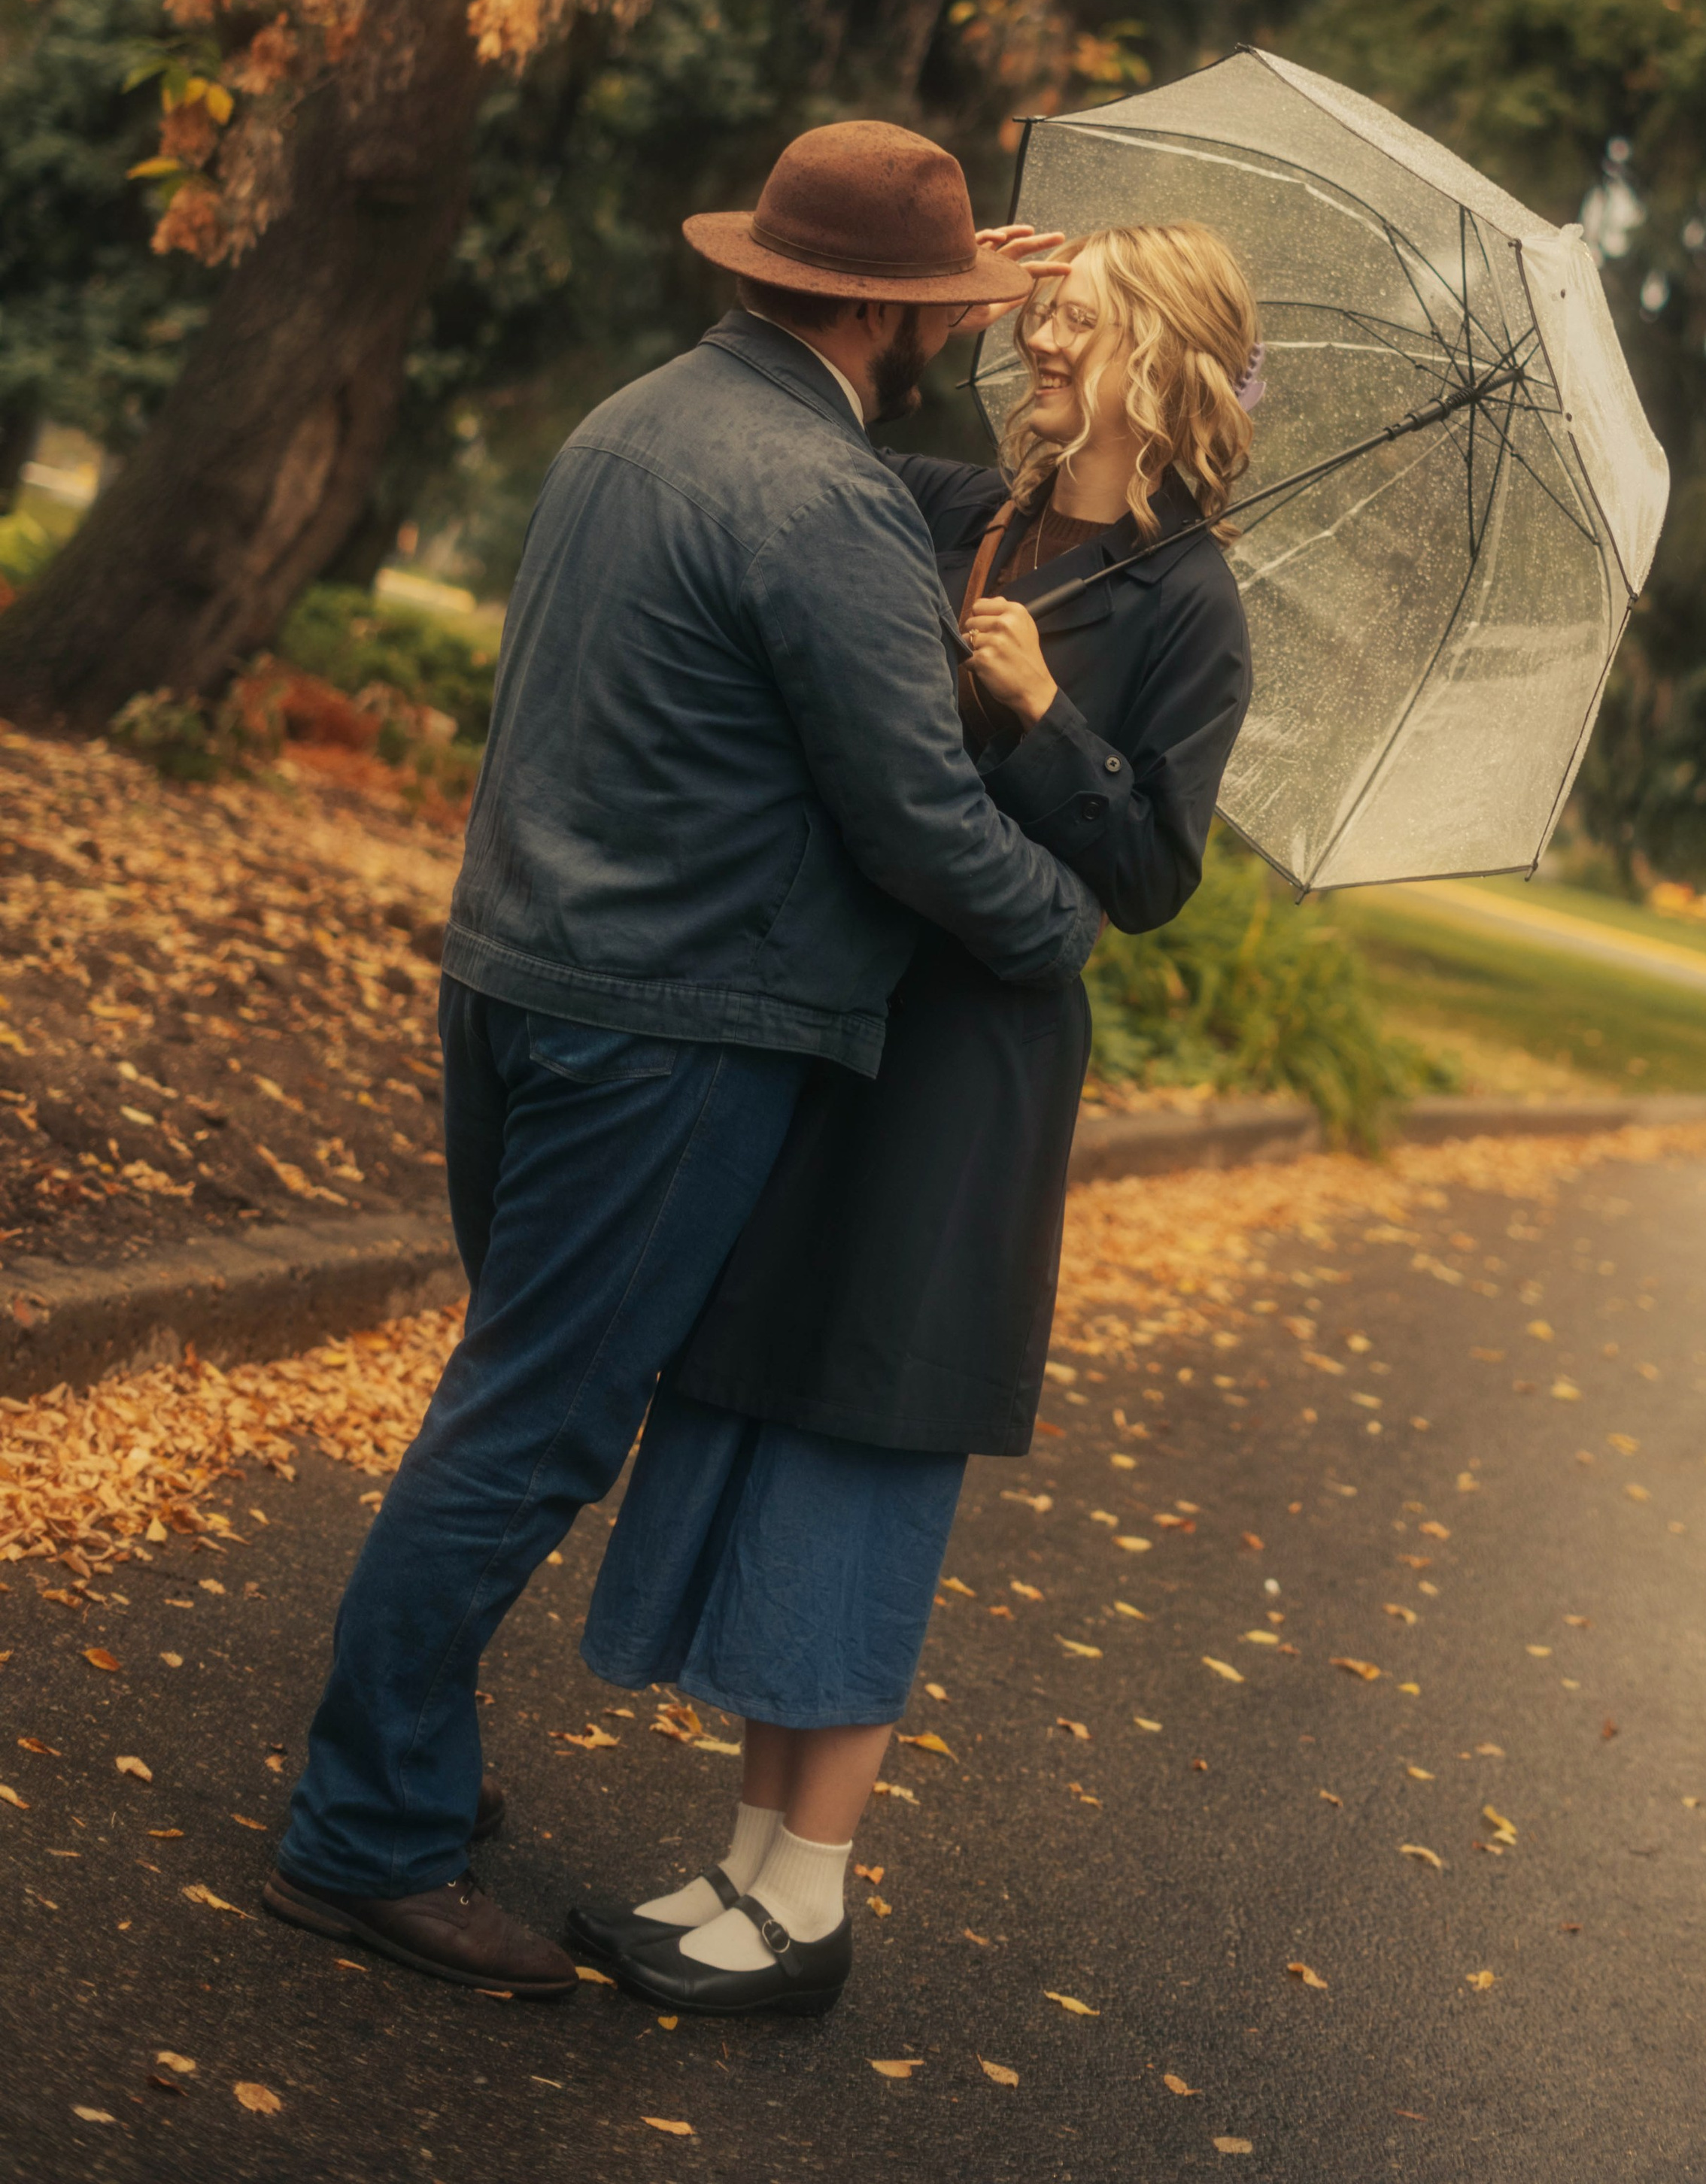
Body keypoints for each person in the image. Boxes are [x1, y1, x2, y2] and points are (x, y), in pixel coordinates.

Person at [263, 122, 1103, 1997]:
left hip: (518, 977)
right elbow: (914, 819)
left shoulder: (636, 421)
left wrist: (971, 322)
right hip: (667, 1031)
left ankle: (396, 1766)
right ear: (896, 313)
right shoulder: (816, 502)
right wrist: (1064, 925)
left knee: (507, 1394)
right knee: (529, 1429)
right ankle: (364, 1835)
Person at [566, 221, 1260, 2017]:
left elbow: (1150, 875)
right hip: (842, 1020)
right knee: (776, 1395)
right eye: (1034, 313)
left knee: (864, 1443)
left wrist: (1038, 715)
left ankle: (809, 1903)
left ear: (1162, 356)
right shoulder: (964, 508)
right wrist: (942, 268)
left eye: (1076, 321)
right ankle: (739, 1862)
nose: (1040, 341)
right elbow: (804, 440)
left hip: (973, 1082)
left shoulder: (1192, 606)